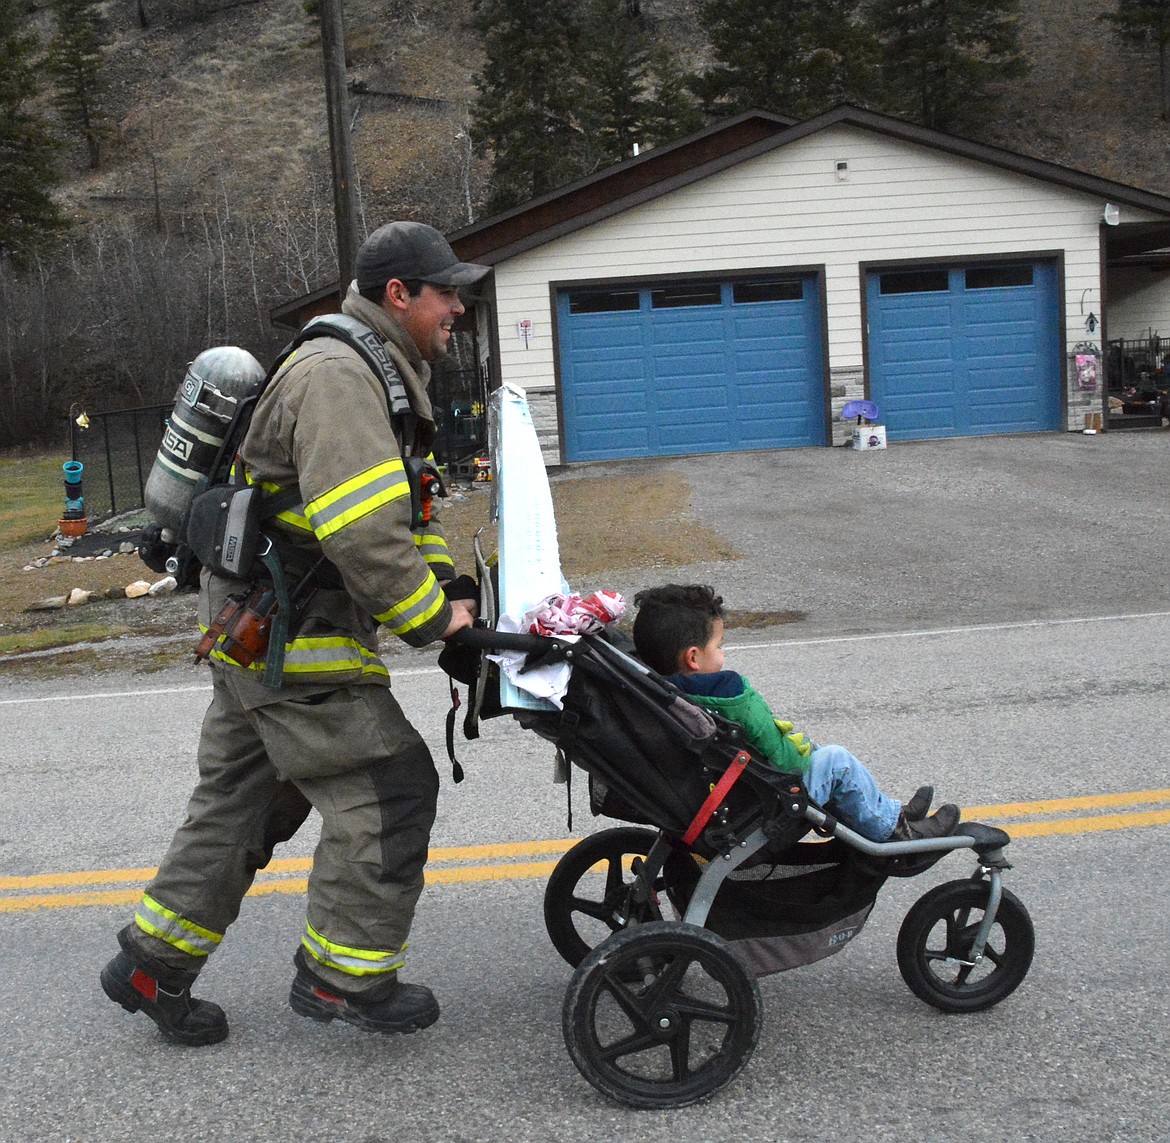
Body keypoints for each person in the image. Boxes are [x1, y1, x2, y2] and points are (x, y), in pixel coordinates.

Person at [100, 222, 489, 1045]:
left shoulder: (378, 371)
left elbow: (405, 514)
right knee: (389, 784)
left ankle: (150, 965)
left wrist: (448, 585)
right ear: (398, 295)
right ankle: (343, 977)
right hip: (291, 635)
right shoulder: (341, 377)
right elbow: (360, 535)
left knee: (245, 798)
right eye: (445, 290)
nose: (459, 303)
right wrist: (431, 621)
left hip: (257, 628)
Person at [631, 584, 960, 843]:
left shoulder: (662, 693)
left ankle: (885, 810)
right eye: (718, 646)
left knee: (818, 752)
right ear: (693, 658)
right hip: (765, 803)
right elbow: (785, 760)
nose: (723, 654)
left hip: (726, 791)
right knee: (836, 761)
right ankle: (894, 830)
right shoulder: (731, 697)